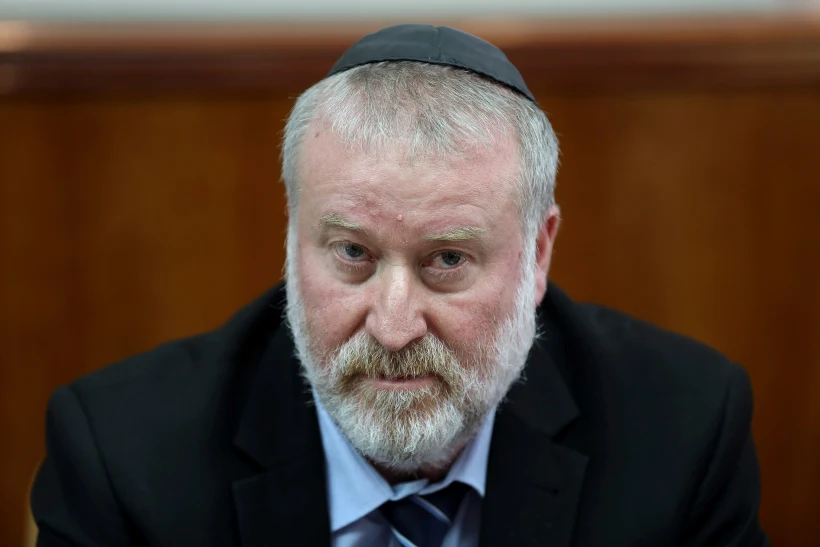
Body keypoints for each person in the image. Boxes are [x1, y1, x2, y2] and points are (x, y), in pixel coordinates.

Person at [31, 24, 768, 547]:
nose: (391, 324)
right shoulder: (121, 455)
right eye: (352, 252)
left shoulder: (684, 432)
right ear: (293, 242)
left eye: (446, 260)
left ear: (539, 255)